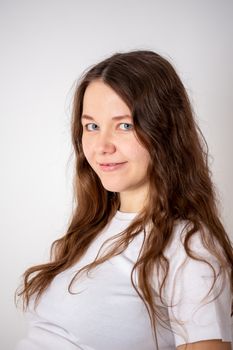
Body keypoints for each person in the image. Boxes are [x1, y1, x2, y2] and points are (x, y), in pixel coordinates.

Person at [15, 50, 232, 350]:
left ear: (164, 131)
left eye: (124, 125)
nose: (102, 146)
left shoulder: (189, 247)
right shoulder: (91, 229)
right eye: (91, 126)